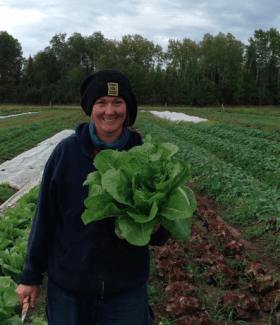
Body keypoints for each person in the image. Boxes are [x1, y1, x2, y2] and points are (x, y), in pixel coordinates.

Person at [16, 69, 171, 325]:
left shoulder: (145, 155)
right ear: (90, 108)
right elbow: (44, 218)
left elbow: (163, 225)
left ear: (127, 108)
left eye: (118, 102)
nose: (110, 111)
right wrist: (30, 276)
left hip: (125, 289)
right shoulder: (66, 154)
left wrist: (156, 226)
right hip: (68, 288)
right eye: (101, 102)